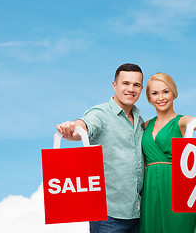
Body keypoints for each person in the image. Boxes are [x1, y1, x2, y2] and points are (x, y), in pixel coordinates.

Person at [56, 63, 145, 233]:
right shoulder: (101, 113)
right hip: (108, 217)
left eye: (136, 85)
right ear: (114, 85)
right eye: (125, 83)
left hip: (138, 215)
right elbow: (84, 125)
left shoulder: (139, 121)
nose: (131, 89)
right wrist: (73, 129)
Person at [139, 72, 196, 233]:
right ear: (149, 99)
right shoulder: (146, 125)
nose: (161, 97)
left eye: (165, 91)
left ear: (174, 93)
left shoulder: (181, 121)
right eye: (155, 93)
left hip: (176, 188)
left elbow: (194, 123)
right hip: (150, 190)